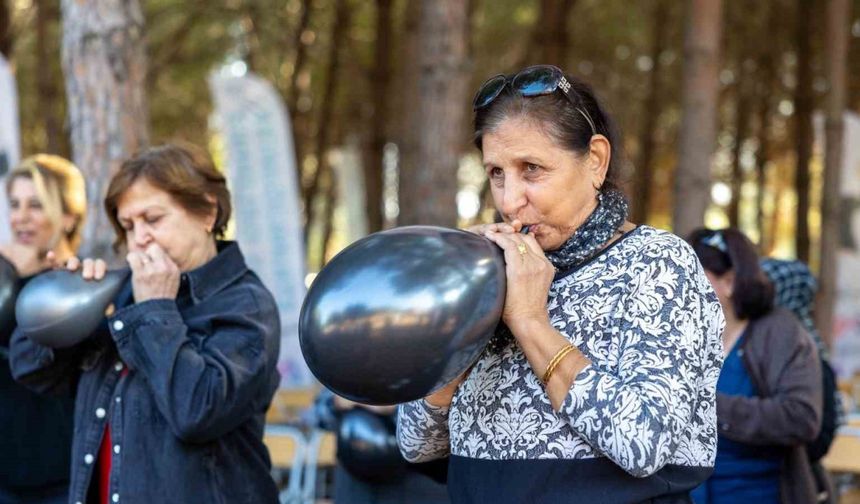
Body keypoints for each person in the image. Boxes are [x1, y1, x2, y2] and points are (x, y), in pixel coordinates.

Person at [397, 64, 725, 503]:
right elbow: (416, 445)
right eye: (496, 173)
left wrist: (530, 322)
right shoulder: (489, 269)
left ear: (595, 160)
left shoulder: (657, 263)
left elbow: (643, 443)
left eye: (531, 168)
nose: (509, 200)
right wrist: (463, 323)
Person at [10, 143, 282, 504]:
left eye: (152, 219)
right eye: (128, 225)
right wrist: (62, 308)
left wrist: (155, 308)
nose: (139, 238)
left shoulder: (246, 305)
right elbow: (29, 370)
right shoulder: (122, 296)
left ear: (207, 211)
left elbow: (196, 412)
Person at [688, 228, 823, 504]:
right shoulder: (685, 335)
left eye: (693, 276)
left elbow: (801, 417)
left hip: (758, 493)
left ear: (729, 282)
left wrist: (705, 407)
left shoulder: (780, 332)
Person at [0, 155, 86, 503]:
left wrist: (23, 281)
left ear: (67, 217)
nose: (21, 216)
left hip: (58, 476)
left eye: (36, 205)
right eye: (15, 204)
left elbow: (40, 360)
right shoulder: (5, 278)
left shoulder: (83, 286)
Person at [312, 389, 450, 504]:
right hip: (357, 479)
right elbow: (317, 415)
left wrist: (396, 407)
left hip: (419, 477)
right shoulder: (352, 368)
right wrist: (338, 401)